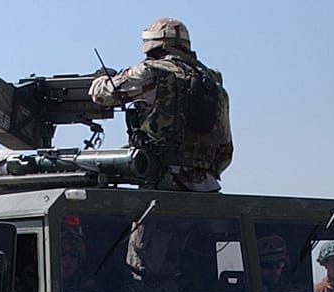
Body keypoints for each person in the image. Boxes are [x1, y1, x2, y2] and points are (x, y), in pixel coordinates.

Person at [89, 17, 233, 192]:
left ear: (152, 46)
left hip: (163, 182)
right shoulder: (214, 84)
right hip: (207, 186)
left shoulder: (153, 72)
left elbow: (101, 94)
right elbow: (225, 151)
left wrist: (101, 78)